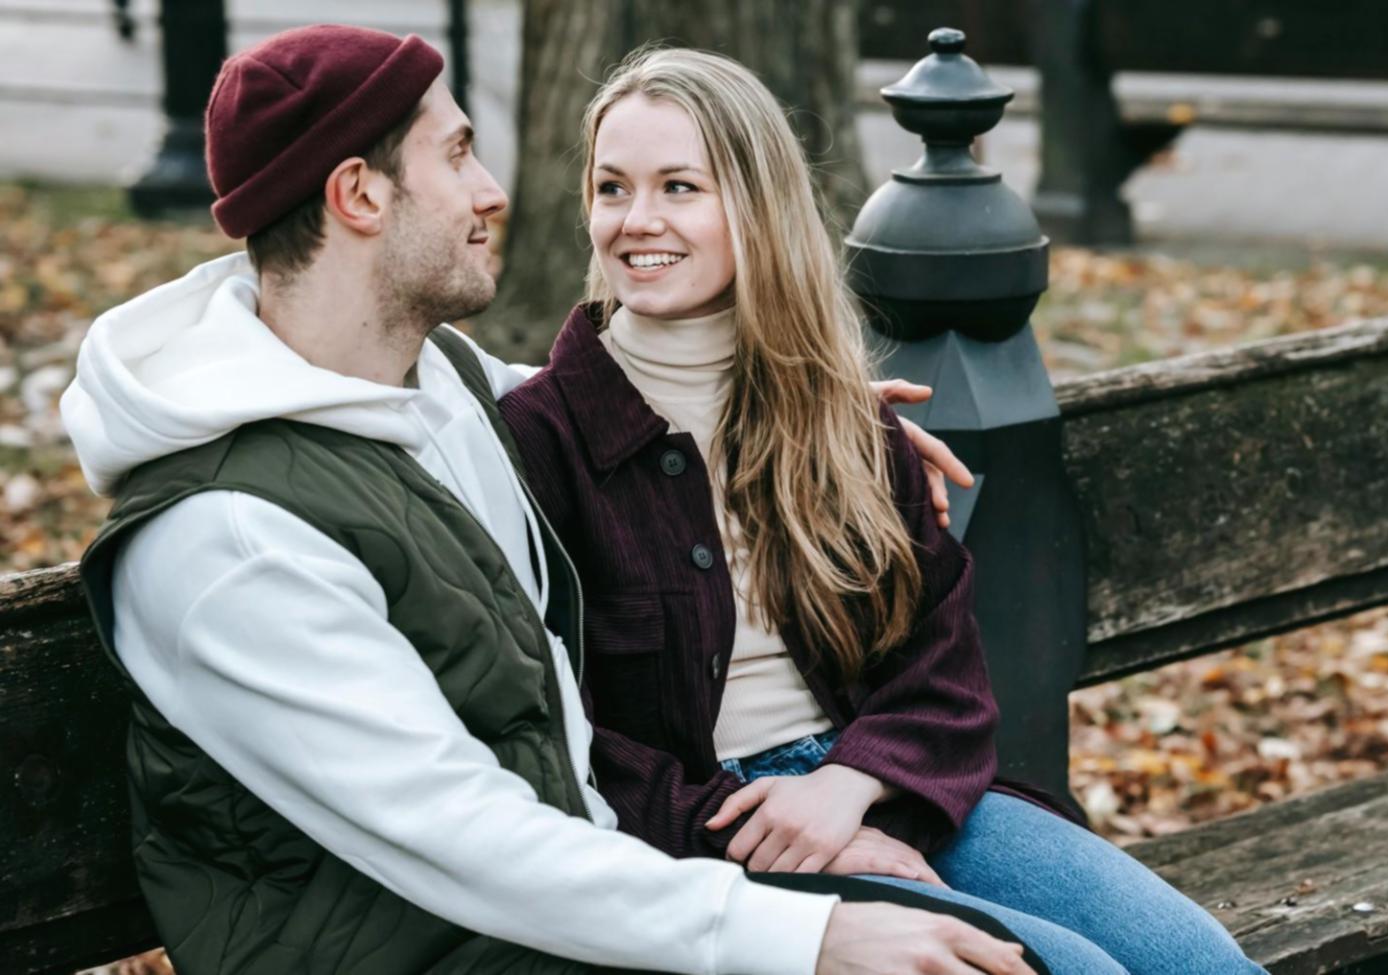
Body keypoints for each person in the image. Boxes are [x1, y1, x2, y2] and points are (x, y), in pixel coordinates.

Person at [60, 24, 1045, 975]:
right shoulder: (231, 542)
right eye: (456, 156)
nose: (495, 193)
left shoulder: (426, 381)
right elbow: (464, 835)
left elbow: (590, 393)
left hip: (591, 908)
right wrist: (807, 941)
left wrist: (807, 405)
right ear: (359, 194)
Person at [496, 47, 1268, 975]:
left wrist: (849, 784)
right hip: (708, 835)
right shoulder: (539, 441)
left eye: (680, 187)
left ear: (757, 206)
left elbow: (941, 658)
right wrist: (759, 826)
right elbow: (548, 731)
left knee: (1198, 960)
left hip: (886, 777)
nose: (638, 220)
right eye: (612, 187)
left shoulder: (836, 415)